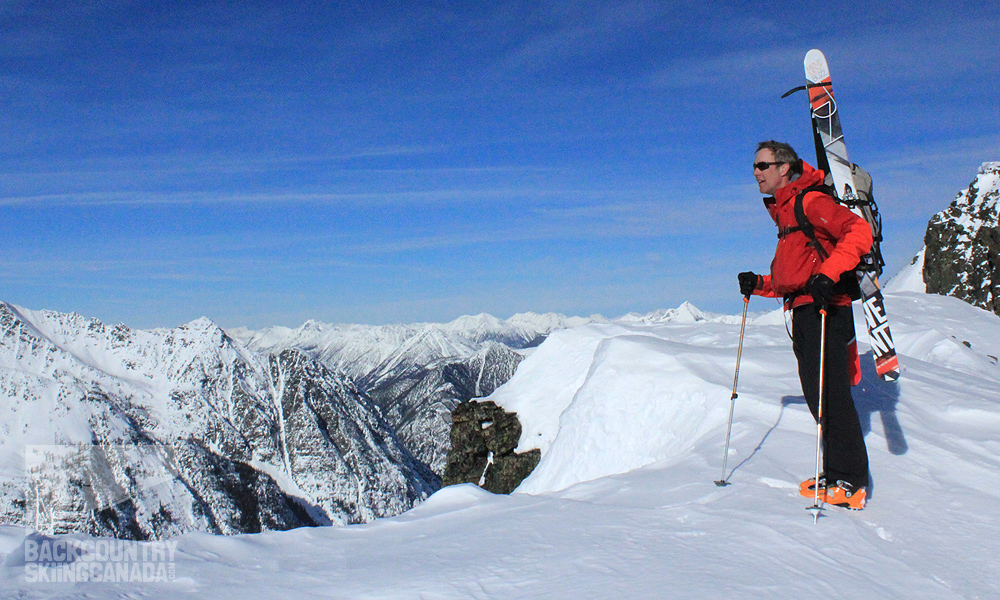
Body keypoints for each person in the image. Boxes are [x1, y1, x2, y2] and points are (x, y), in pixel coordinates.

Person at [739, 140, 873, 510]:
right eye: (754, 166)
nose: (756, 173)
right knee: (819, 395)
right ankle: (835, 473)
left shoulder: (810, 202)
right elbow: (797, 276)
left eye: (763, 165)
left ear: (785, 167)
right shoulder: (785, 213)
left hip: (826, 310)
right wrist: (762, 284)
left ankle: (850, 482)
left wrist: (829, 275)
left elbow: (859, 233)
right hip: (806, 311)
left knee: (830, 394)